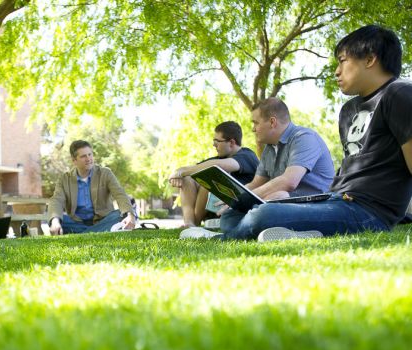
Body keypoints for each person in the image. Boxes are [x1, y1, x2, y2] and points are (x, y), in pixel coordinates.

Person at [181, 25, 412, 242]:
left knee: (262, 215)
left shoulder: (399, 95)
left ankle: (219, 239)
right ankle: (307, 233)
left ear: (370, 59)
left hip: (371, 210)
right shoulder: (349, 110)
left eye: (343, 61)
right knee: (236, 213)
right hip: (337, 199)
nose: (336, 71)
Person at [181, 96, 335, 239]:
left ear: (272, 122)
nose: (253, 129)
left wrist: (246, 198)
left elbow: (289, 182)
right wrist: (235, 200)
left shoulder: (304, 138)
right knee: (229, 216)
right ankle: (289, 232)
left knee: (275, 199)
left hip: (313, 207)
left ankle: (219, 237)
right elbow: (256, 183)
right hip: (280, 205)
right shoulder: (269, 148)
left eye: (255, 123)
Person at [168, 121, 259, 227]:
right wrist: (178, 173)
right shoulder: (221, 158)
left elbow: (217, 166)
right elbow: (193, 169)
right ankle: (189, 223)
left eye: (217, 141)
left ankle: (194, 225)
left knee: (210, 176)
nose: (214, 145)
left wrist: (182, 172)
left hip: (239, 209)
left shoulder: (247, 155)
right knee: (188, 178)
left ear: (231, 142)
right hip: (216, 209)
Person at [49, 140, 136, 235]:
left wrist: (130, 215)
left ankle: (84, 234)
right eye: (83, 156)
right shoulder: (64, 179)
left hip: (103, 221)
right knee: (59, 219)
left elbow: (120, 194)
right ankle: (99, 232)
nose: (88, 159)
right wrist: (55, 221)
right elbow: (56, 200)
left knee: (120, 214)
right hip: (77, 223)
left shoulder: (105, 173)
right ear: (74, 161)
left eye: (90, 154)